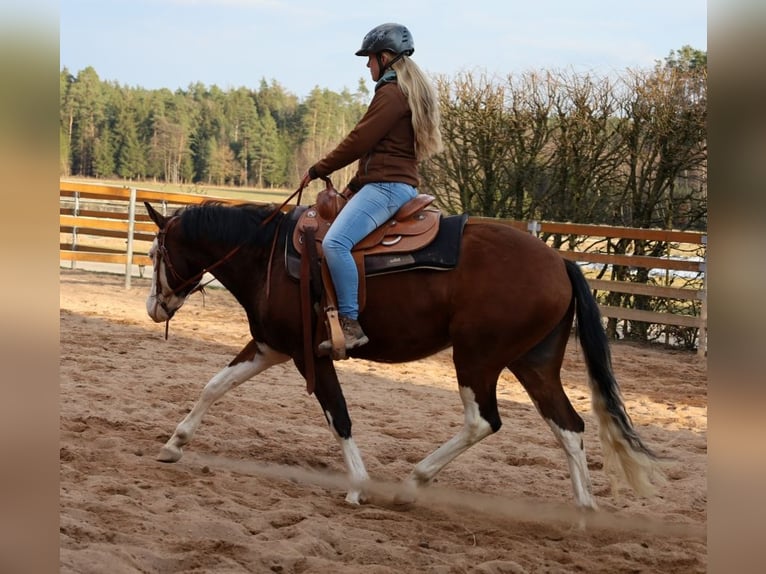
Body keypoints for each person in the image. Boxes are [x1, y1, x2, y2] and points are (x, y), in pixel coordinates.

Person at [300, 22, 443, 354]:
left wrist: (319, 169)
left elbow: (359, 140)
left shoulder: (391, 93)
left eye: (370, 58)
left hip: (388, 188)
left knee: (335, 243)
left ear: (386, 57)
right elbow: (378, 153)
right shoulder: (402, 93)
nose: (367, 65)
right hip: (388, 183)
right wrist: (352, 185)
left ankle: (350, 325)